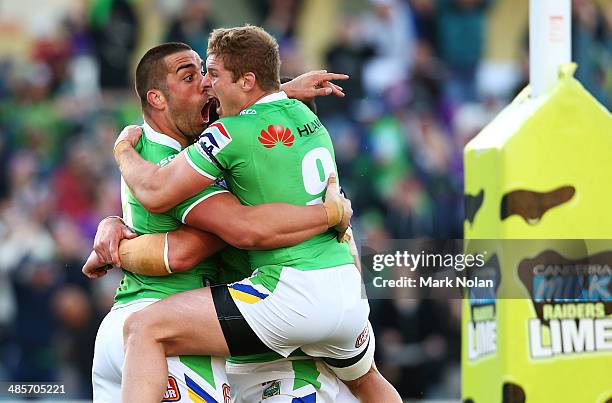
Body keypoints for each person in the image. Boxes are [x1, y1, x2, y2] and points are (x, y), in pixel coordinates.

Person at [113, 26, 401, 402]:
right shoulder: (304, 113)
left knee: (144, 329)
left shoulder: (229, 133)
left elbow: (155, 191)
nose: (207, 86)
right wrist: (287, 88)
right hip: (347, 290)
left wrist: (122, 149)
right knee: (368, 381)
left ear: (246, 80)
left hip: (291, 294)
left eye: (213, 75)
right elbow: (266, 103)